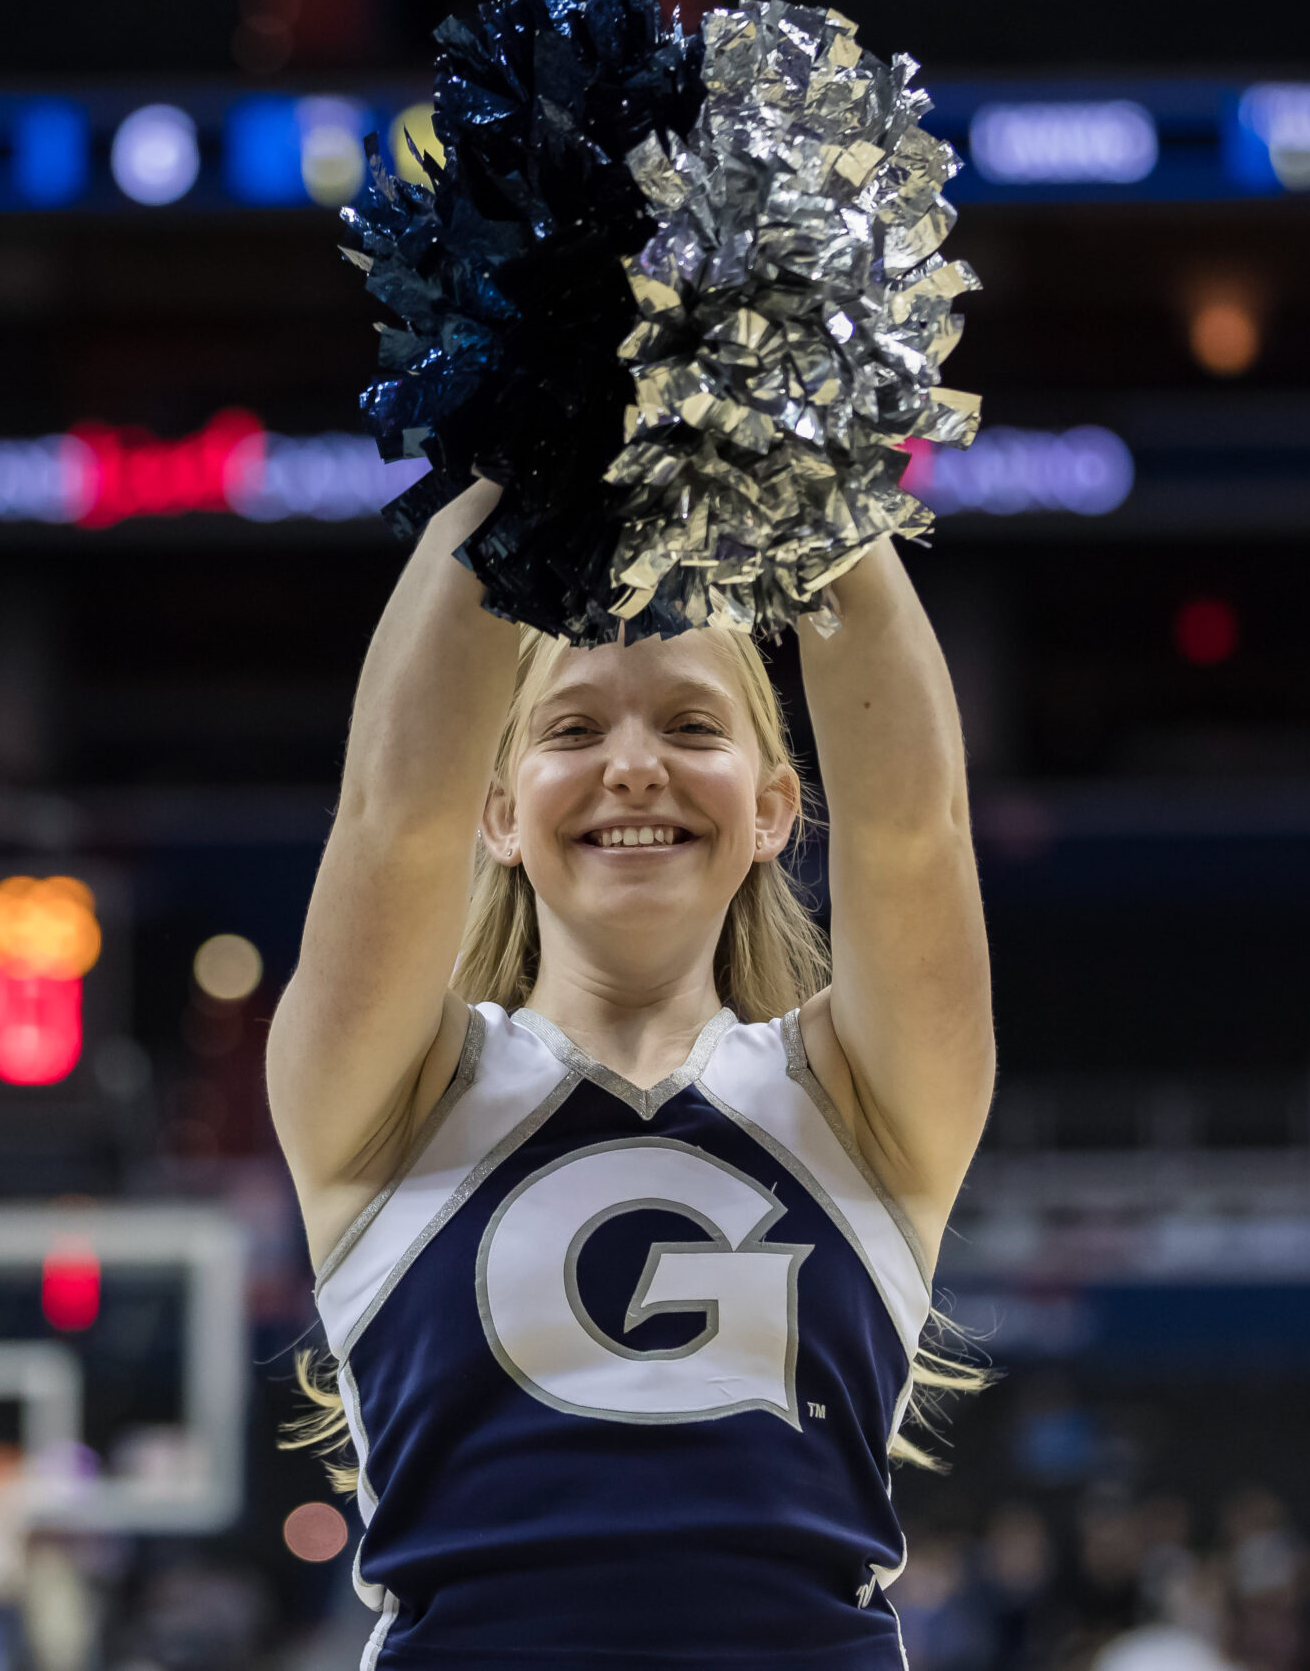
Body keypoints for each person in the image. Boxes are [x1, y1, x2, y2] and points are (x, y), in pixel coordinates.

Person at [268, 474, 996, 1667]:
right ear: (496, 813)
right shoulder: (392, 1101)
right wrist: (518, 440)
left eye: (692, 725)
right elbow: (390, 814)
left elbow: (914, 823)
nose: (634, 767)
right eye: (572, 728)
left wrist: (797, 445)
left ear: (771, 810)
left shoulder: (860, 1101)